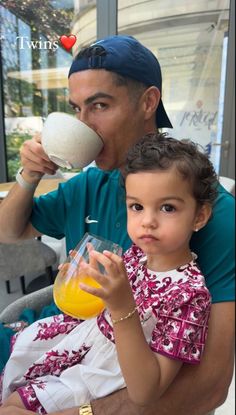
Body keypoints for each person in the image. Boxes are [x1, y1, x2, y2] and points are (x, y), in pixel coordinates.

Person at [0, 35, 234, 415]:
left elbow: (210, 389)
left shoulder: (216, 217)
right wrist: (28, 174)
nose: (85, 125)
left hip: (97, 383)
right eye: (77, 109)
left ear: (147, 102)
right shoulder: (90, 184)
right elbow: (9, 232)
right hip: (56, 338)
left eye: (100, 106)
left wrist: (78, 413)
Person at [1, 134, 216, 413]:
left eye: (167, 208)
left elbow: (145, 392)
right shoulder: (139, 255)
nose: (147, 221)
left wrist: (121, 305)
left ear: (199, 216)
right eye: (136, 206)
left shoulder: (190, 296)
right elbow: (101, 304)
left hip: (104, 379)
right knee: (12, 398)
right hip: (81, 348)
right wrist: (87, 281)